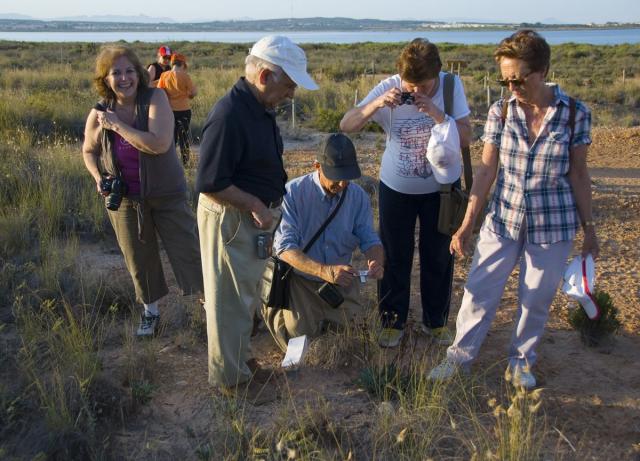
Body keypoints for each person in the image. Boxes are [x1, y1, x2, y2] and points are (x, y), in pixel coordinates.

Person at [428, 30, 600, 389]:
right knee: (478, 291)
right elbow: (487, 170)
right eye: (505, 79)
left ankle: (521, 363)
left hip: (553, 226)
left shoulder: (574, 115)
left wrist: (590, 229)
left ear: (543, 71)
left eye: (518, 79)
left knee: (535, 300)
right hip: (503, 219)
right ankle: (458, 358)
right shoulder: (500, 111)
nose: (511, 87)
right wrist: (466, 224)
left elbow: (579, 174)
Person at [196, 35, 318, 403]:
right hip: (231, 220)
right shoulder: (229, 114)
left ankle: (239, 362)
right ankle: (231, 381)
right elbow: (210, 181)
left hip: (249, 218)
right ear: (265, 75)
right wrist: (255, 205)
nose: (292, 94)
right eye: (289, 85)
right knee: (229, 300)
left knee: (245, 296)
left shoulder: (257, 107)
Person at [340, 38, 472, 348]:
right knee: (394, 255)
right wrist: (375, 105)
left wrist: (439, 115)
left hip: (440, 190)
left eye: (424, 86)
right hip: (396, 189)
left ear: (437, 73)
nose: (416, 92)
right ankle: (391, 321)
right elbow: (347, 124)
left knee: (438, 255)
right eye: (410, 85)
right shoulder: (390, 87)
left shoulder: (451, 87)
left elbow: (466, 136)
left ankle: (436, 322)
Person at [81, 44, 203, 337]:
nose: (124, 78)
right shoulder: (99, 111)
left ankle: (210, 305)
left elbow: (159, 143)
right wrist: (98, 176)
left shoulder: (155, 98)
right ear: (105, 79)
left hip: (166, 192)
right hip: (125, 198)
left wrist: (117, 125)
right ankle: (151, 312)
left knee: (188, 250)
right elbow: (88, 150)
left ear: (139, 73)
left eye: (129, 71)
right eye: (116, 73)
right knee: (138, 257)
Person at [262, 133, 385, 351]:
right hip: (301, 281)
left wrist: (376, 261)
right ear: (317, 166)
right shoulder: (293, 193)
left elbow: (370, 239)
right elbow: (285, 249)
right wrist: (324, 271)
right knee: (297, 343)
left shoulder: (358, 197)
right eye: (336, 176)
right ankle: (267, 310)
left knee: (355, 338)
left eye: (347, 176)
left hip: (340, 283)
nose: (342, 183)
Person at [157, 52, 197, 165]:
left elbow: (160, 91)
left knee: (172, 137)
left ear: (172, 62)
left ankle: (171, 162)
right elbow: (193, 92)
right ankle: (185, 162)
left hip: (169, 111)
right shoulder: (185, 76)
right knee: (184, 136)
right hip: (184, 110)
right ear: (183, 63)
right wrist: (189, 95)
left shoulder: (164, 75)